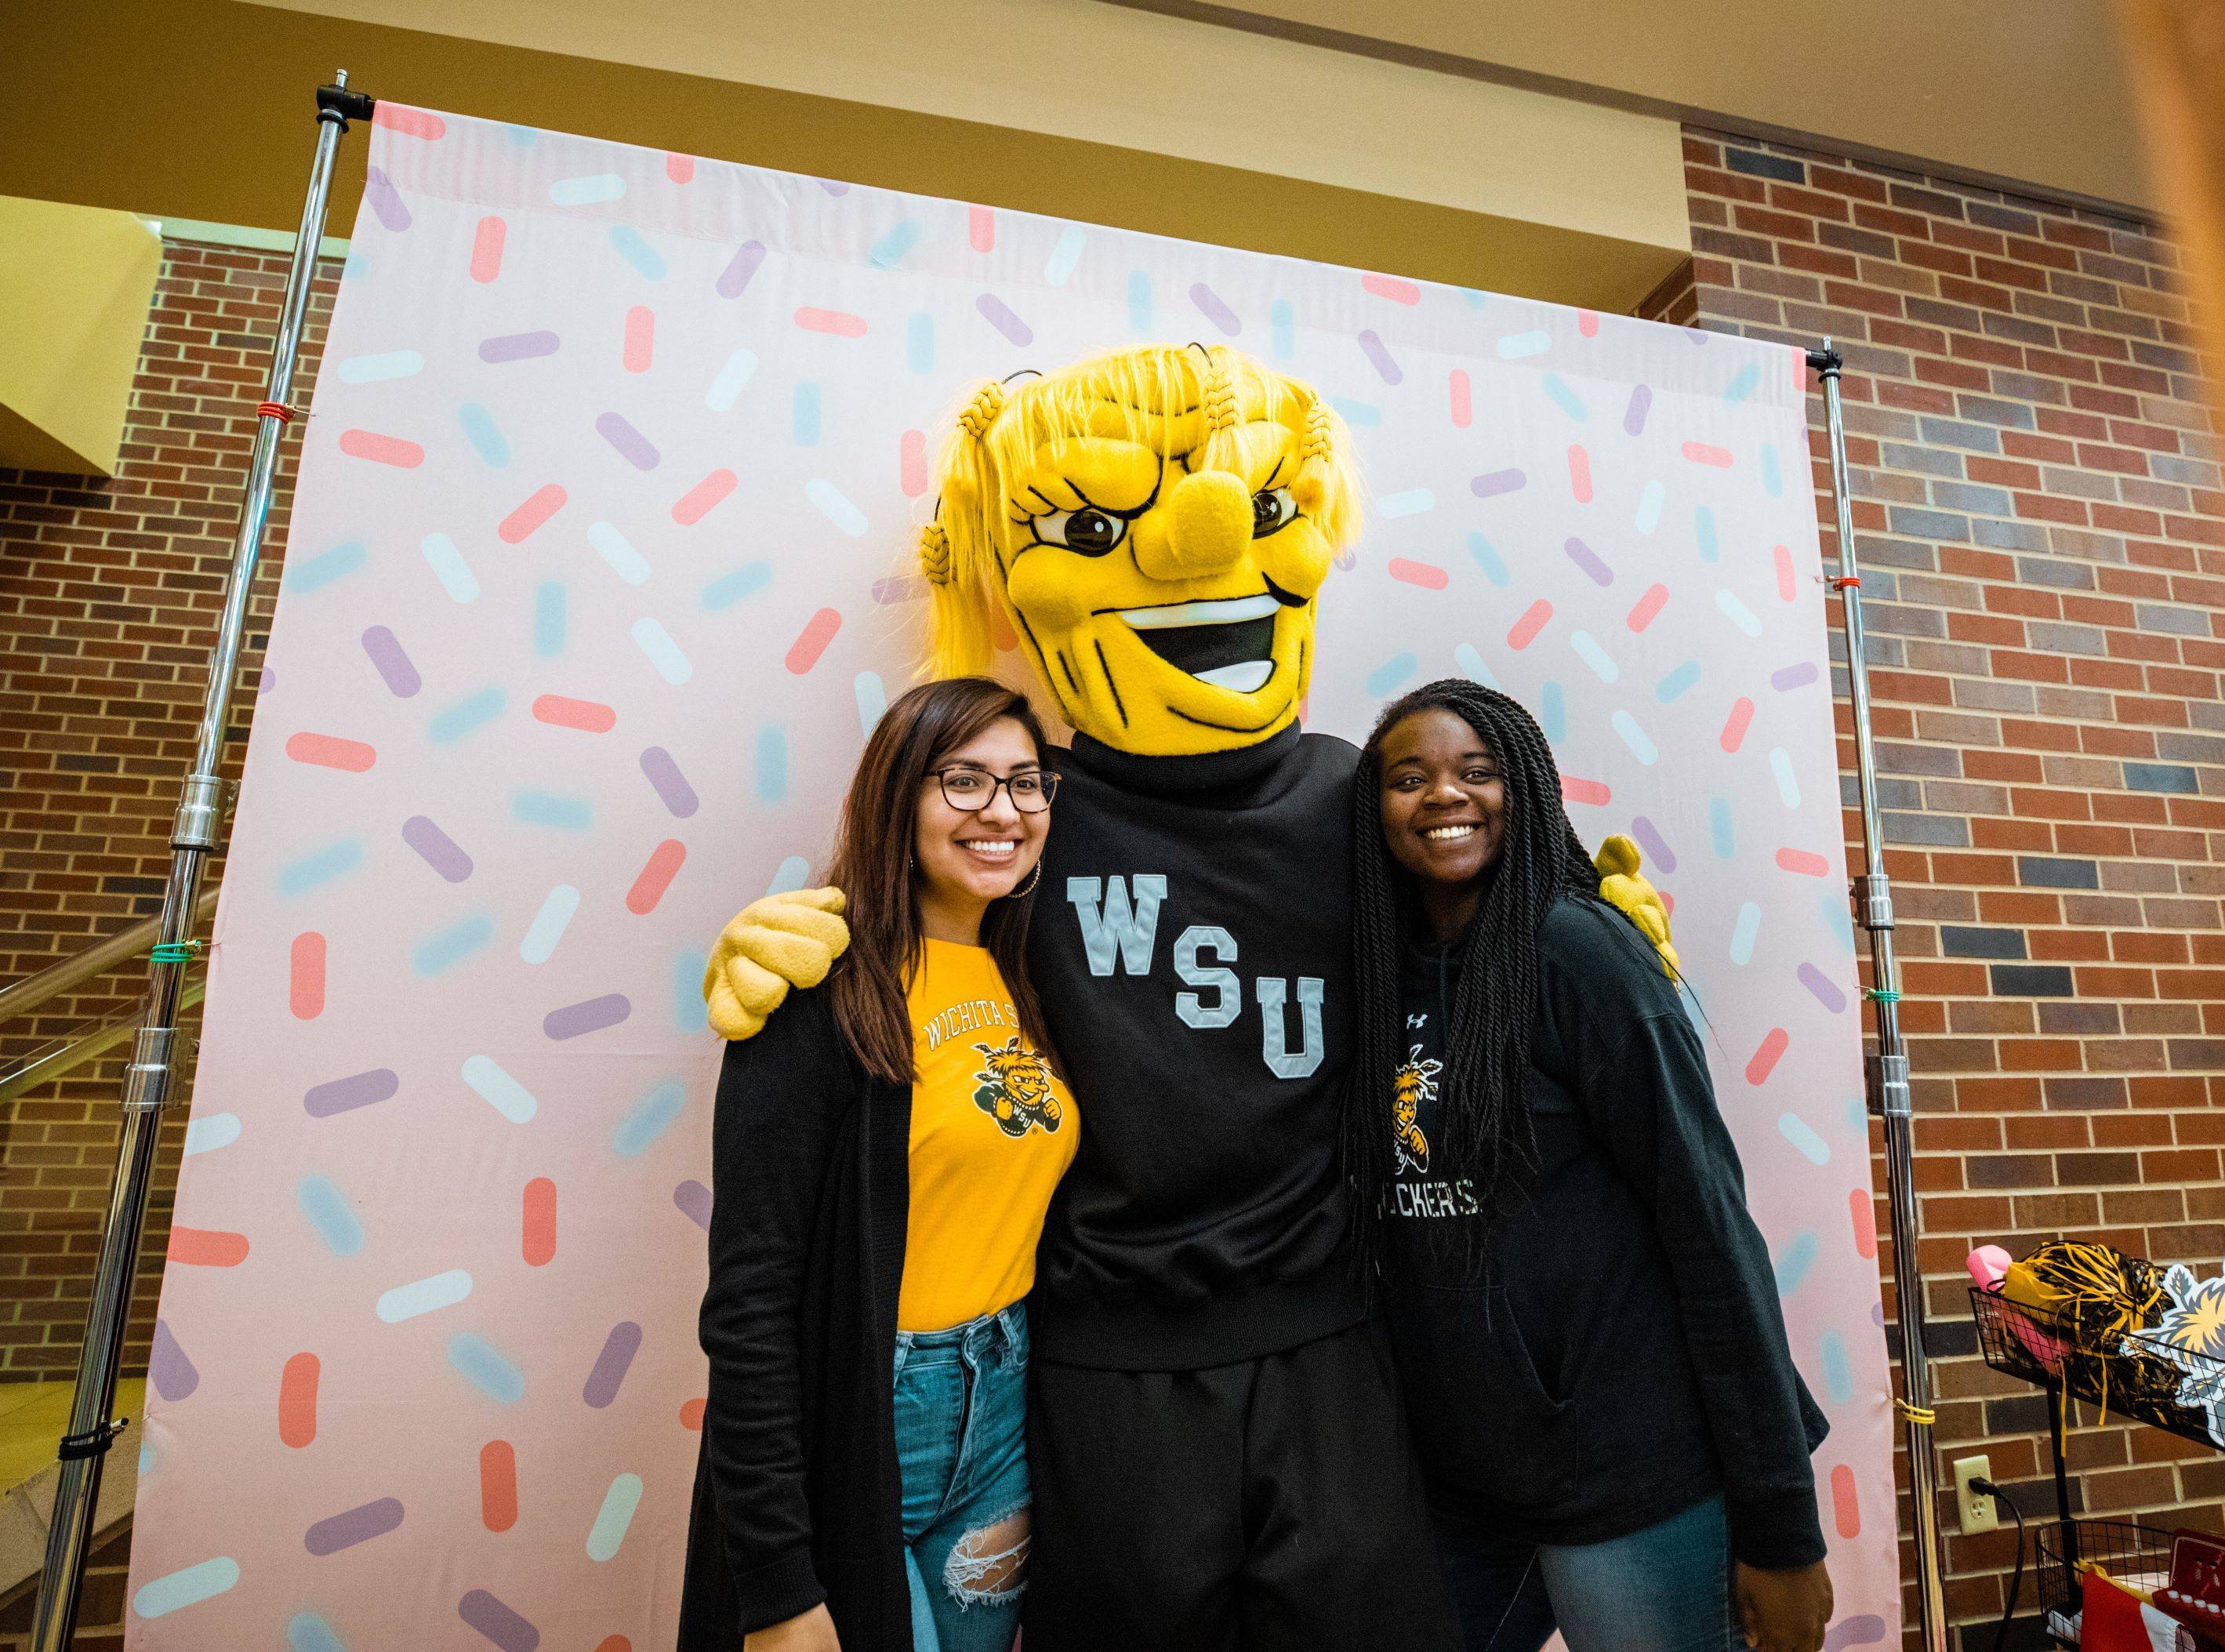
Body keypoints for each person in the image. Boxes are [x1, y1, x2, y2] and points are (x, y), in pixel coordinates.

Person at [699, 346, 1675, 1652]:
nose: (1205, 538)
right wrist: (797, 945)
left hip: (1335, 1348)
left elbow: (1489, 897)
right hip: (1097, 1373)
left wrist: (1598, 927)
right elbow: (924, 917)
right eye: (1102, 527)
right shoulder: (1037, 813)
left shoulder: (1358, 795)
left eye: (1261, 509)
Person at [1349, 678, 1836, 1652]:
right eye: (1410, 778)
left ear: (1526, 791)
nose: (1445, 795)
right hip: (1464, 1488)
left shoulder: (1580, 953)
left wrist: (1781, 1527)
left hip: (1629, 1476)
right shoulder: (1376, 971)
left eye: (1477, 772)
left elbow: (1709, 1228)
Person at [678, 677, 1079, 1652]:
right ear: (899, 797)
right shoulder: (818, 987)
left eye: (1027, 784)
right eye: (965, 781)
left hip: (1003, 1408)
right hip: (864, 1412)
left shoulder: (1035, 974)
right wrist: (771, 1579)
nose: (1004, 811)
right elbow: (751, 1299)